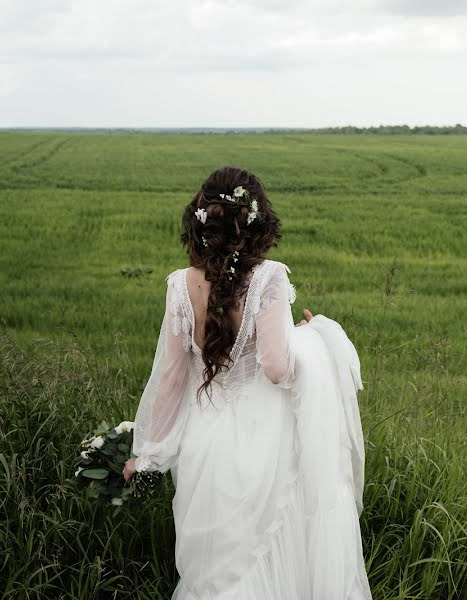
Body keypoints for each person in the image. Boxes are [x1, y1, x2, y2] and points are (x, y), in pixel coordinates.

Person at [124, 166, 372, 599]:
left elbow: (169, 378)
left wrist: (148, 455)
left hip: (205, 441)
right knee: (271, 548)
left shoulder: (181, 286)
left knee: (216, 570)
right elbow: (277, 367)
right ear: (256, 223)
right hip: (265, 442)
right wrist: (312, 337)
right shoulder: (268, 278)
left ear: (201, 221)